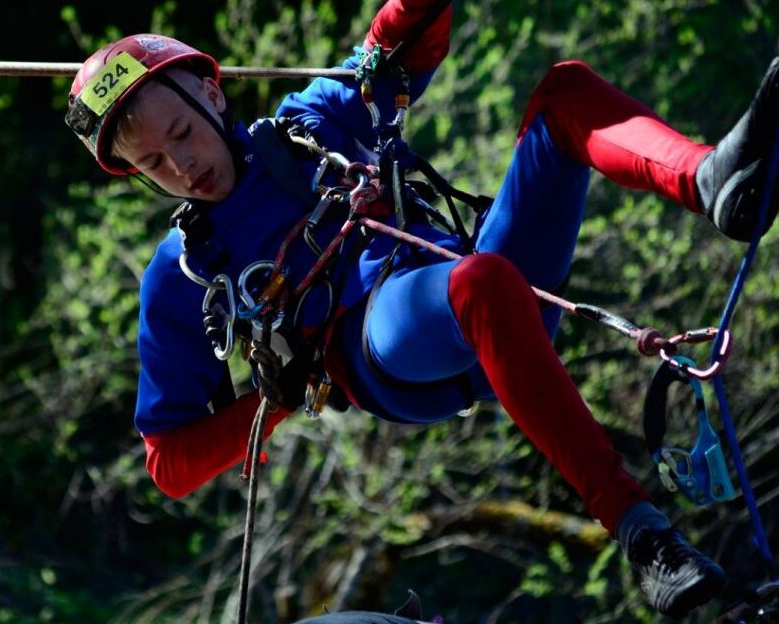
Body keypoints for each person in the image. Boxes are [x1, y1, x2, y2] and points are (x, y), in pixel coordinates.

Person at [64, 1, 779, 619]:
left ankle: (711, 181)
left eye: (180, 135)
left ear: (212, 95)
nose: (181, 167)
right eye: (154, 164)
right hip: (393, 352)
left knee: (563, 94)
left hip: (493, 301)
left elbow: (406, 40)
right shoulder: (182, 271)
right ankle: (642, 535)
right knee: (478, 283)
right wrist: (274, 403)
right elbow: (168, 462)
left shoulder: (306, 122)